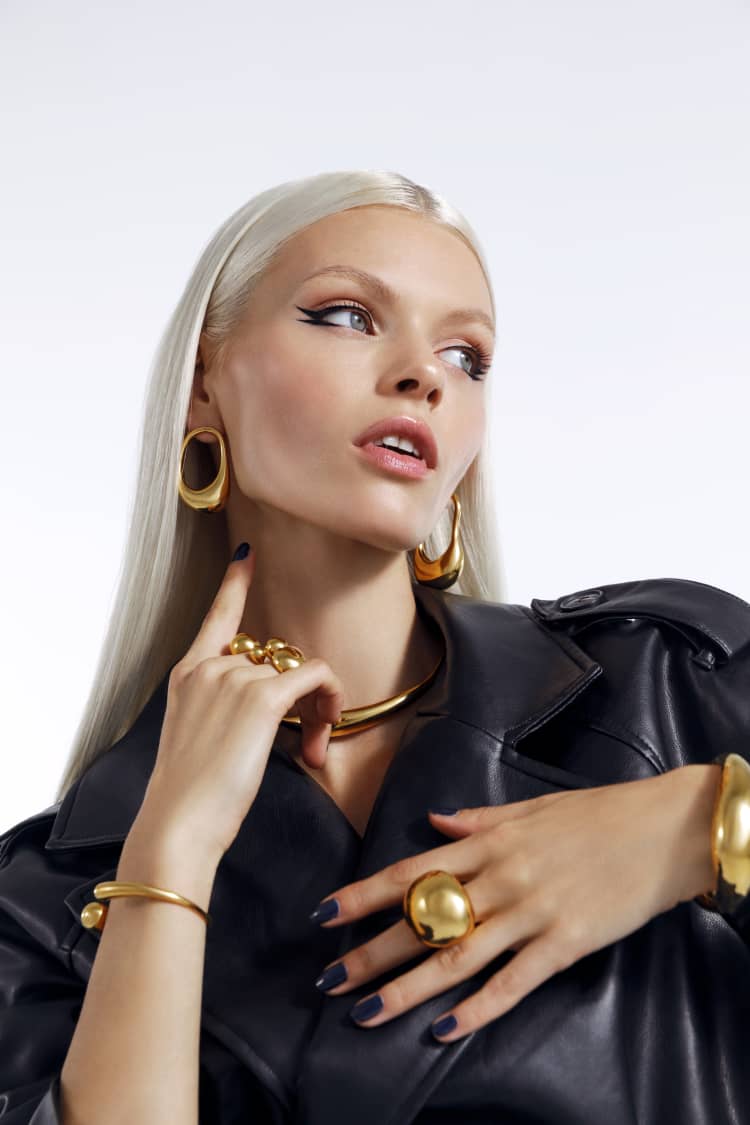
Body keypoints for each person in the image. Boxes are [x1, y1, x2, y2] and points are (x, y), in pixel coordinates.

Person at [1, 169, 749, 1125]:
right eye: (349, 316)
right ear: (203, 385)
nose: (424, 375)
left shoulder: (671, 681)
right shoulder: (44, 901)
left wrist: (698, 827)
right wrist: (170, 852)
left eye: (466, 356)